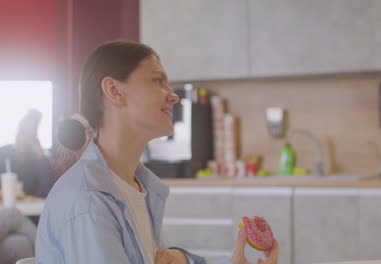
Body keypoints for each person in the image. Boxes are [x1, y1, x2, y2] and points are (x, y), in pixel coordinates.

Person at [35, 40, 279, 264]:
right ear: (114, 90)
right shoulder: (88, 202)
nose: (173, 96)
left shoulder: (138, 188)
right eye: (157, 81)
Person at [0, 109, 54, 198]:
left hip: (28, 207)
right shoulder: (4, 153)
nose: (24, 137)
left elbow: (47, 190)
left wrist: (41, 156)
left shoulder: (39, 158)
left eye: (31, 134)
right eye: (23, 132)